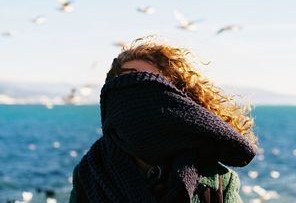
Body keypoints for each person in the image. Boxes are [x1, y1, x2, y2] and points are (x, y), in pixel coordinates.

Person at [69, 37, 257, 203]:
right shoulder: (91, 171)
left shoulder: (217, 180)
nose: (136, 94)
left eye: (151, 83)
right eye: (126, 80)